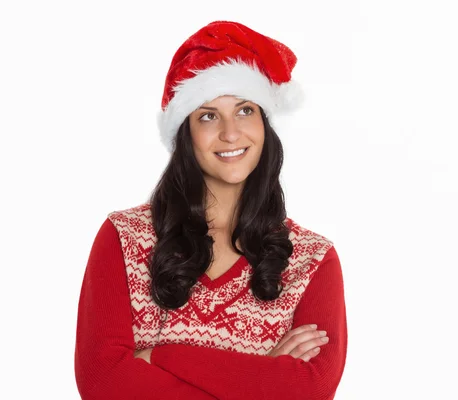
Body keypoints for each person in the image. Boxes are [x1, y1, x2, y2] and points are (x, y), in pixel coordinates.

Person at [74, 20, 348, 400]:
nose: (230, 133)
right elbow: (103, 384)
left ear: (265, 124)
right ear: (184, 132)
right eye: (207, 115)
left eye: (245, 110)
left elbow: (310, 389)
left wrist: (160, 357)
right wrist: (261, 377)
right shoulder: (125, 238)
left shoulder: (311, 260)